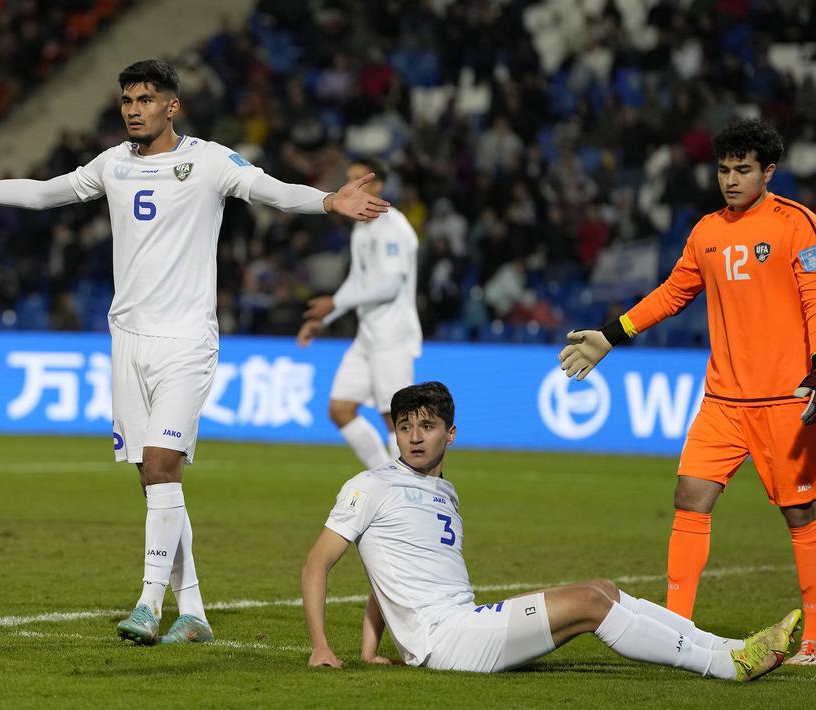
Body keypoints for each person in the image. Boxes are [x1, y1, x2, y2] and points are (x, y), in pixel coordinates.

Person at [0, 59, 389, 645]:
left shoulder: (207, 160)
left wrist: (328, 201)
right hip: (127, 341)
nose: (134, 108)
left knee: (161, 467)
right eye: (127, 99)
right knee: (156, 483)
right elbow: (45, 193)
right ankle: (196, 613)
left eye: (146, 98)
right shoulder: (113, 165)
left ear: (171, 106)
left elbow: (271, 191)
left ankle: (147, 606)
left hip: (186, 340)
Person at [302, 381, 802, 679]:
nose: (414, 436)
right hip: (446, 640)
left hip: (464, 622)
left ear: (449, 434)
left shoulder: (444, 492)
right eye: (405, 425)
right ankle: (727, 667)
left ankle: (730, 647)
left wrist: (370, 648)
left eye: (426, 426)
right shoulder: (371, 484)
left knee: (601, 589)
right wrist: (322, 646)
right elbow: (316, 563)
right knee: (590, 605)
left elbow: (391, 572)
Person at [559, 118, 816, 665]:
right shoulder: (707, 231)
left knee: (801, 515)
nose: (730, 179)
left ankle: (814, 639)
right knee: (690, 497)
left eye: (743, 170)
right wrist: (611, 335)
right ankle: (677, 627)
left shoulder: (797, 225)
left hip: (786, 398)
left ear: (768, 172)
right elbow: (673, 293)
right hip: (723, 401)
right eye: (724, 169)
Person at [297, 158, 421, 469]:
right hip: (368, 334)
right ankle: (384, 475)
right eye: (348, 178)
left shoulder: (393, 227)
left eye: (358, 179)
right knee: (340, 408)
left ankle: (409, 487)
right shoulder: (363, 227)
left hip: (393, 335)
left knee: (395, 417)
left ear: (377, 186)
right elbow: (358, 280)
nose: (350, 185)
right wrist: (323, 318)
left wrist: (336, 305)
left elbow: (391, 286)